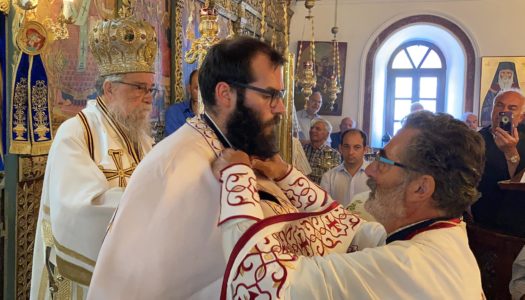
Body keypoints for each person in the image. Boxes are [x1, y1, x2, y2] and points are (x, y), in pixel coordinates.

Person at [87, 37, 365, 300]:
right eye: (270, 95)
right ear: (225, 93)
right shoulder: (177, 165)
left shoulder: (238, 149)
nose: (280, 108)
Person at [216, 111, 485, 299]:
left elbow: (268, 283)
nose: (370, 171)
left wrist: (236, 175)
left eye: (384, 161)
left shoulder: (409, 265)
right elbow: (349, 226)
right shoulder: (443, 236)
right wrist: (286, 175)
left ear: (421, 188)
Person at [30, 13, 157, 300]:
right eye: (139, 88)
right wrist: (157, 205)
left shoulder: (140, 137)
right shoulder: (75, 133)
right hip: (84, 277)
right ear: (109, 88)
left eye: (151, 89)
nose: (149, 97)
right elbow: (80, 209)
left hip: (131, 267)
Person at [471, 89, 525, 237]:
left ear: (521, 117)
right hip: (487, 219)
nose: (504, 111)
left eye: (512, 108)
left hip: (520, 218)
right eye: (499, 105)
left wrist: (511, 152)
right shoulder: (475, 140)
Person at [321, 129, 370, 207]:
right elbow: (324, 208)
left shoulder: (376, 177)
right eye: (346, 146)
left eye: (356, 147)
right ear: (340, 148)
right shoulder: (328, 177)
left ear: (365, 150)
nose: (350, 152)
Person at [480, 62, 520, 127]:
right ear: (499, 74)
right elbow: (486, 108)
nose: (505, 75)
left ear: (512, 75)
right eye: (503, 73)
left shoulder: (517, 90)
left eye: (508, 73)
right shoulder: (493, 89)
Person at [303, 118, 341, 184]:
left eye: (317, 129)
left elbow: (332, 179)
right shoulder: (302, 149)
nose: (313, 130)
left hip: (321, 191)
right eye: (312, 128)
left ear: (327, 134)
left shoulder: (333, 154)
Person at [164, 69, 198, 136]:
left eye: (205, 88)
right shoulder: (175, 112)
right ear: (189, 89)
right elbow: (174, 142)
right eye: (197, 88)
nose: (201, 93)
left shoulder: (215, 113)